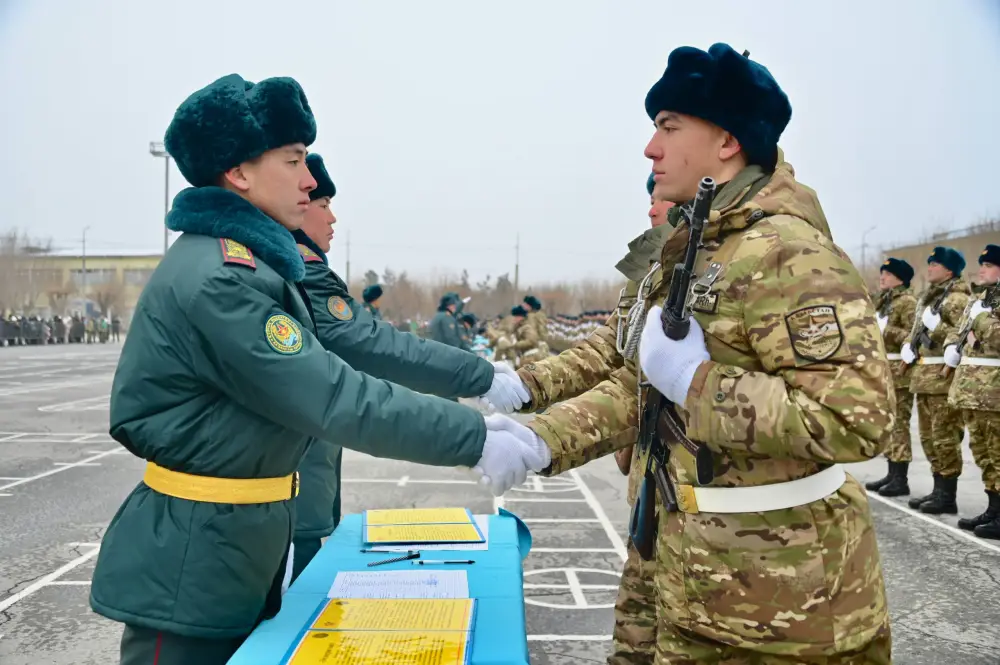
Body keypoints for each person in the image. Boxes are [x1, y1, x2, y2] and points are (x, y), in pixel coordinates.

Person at [89, 73, 546, 665]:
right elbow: (331, 394)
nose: (309, 181)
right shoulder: (223, 278)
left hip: (230, 544)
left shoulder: (247, 266)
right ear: (239, 172)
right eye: (294, 160)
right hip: (193, 563)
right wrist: (472, 437)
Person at [484, 43, 893, 663]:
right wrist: (540, 437)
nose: (651, 148)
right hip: (691, 568)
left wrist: (698, 382)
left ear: (727, 140)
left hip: (782, 610)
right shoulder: (699, 252)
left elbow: (855, 418)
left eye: (669, 127)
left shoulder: (787, 252)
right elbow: (642, 383)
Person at [288, 153, 529, 577]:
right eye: (323, 204)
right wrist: (476, 388)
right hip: (282, 500)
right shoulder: (298, 272)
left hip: (293, 493)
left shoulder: (293, 268)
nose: (332, 217)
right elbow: (368, 357)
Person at [900, 246, 970, 514]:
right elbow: (916, 331)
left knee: (945, 437)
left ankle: (947, 496)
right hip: (924, 378)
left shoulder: (958, 299)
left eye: (935, 264)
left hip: (943, 380)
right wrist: (908, 345)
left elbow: (961, 335)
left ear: (949, 270)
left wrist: (936, 327)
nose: (929, 268)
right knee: (929, 437)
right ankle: (938, 488)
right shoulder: (930, 298)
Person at [944, 244, 1000, 538]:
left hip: (994, 392)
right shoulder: (980, 299)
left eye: (989, 265)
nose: (982, 269)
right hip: (971, 391)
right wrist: (950, 346)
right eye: (982, 264)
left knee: (998, 453)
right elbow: (959, 330)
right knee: (983, 453)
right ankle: (994, 509)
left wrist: (980, 320)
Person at [865, 258, 917, 496]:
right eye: (882, 272)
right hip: (883, 370)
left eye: (887, 273)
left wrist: (887, 330)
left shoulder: (907, 302)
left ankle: (900, 479)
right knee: (887, 424)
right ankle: (891, 472)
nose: (882, 276)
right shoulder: (884, 300)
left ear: (900, 278)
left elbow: (912, 336)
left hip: (899, 372)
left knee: (899, 424)